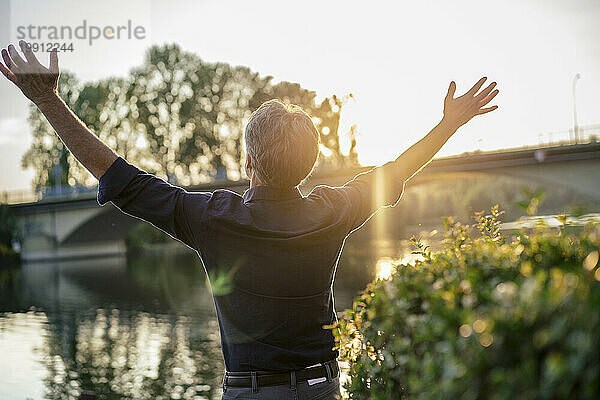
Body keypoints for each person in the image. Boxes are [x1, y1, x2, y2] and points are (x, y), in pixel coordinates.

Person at [0, 41, 498, 400]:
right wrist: (449, 124)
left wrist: (47, 100)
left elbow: (121, 179)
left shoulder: (212, 218)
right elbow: (396, 170)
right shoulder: (333, 211)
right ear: (308, 165)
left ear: (249, 164)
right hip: (323, 387)